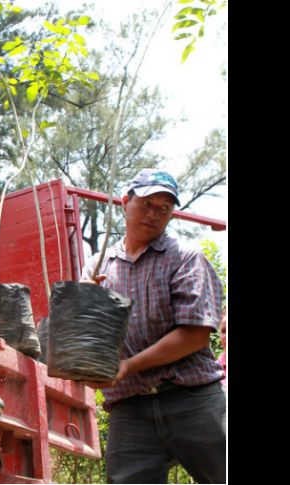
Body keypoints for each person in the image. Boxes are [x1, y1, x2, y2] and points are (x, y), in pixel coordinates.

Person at [81, 168, 226, 484]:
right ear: (124, 202)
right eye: (147, 203)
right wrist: (83, 302)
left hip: (192, 398)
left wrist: (128, 366)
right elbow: (86, 340)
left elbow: (195, 335)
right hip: (130, 410)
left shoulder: (186, 258)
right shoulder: (97, 266)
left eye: (164, 208)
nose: (155, 214)